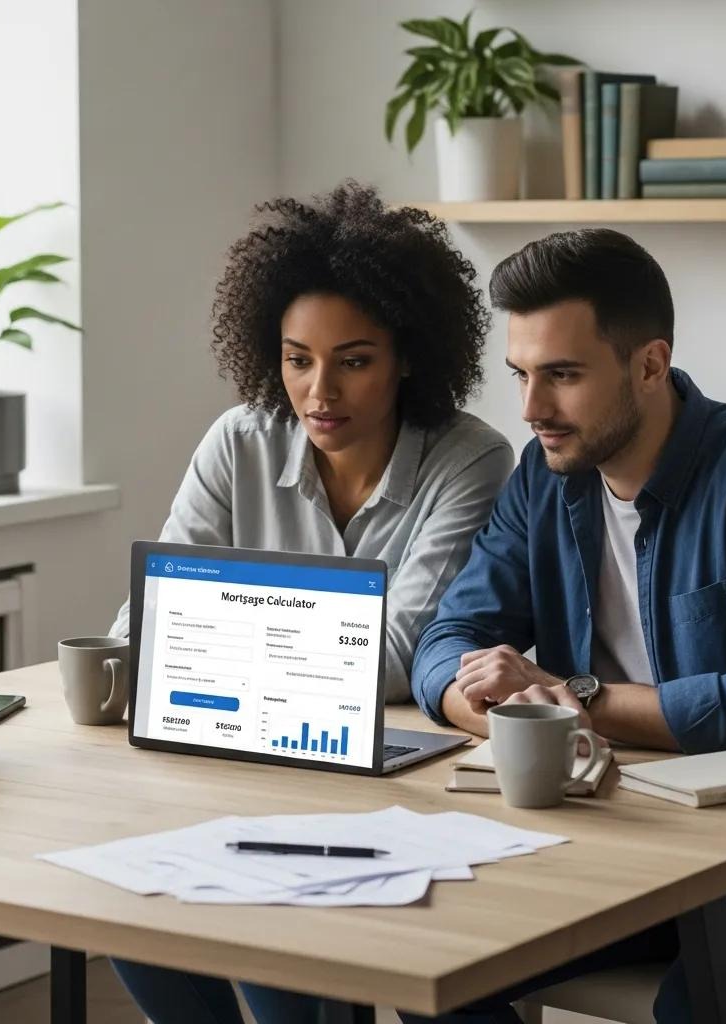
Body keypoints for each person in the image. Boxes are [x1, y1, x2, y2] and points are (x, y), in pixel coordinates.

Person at [108, 181, 513, 1023]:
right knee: (131, 905)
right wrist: (284, 649)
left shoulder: (470, 459)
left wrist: (219, 636)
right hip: (235, 773)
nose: (319, 390)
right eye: (298, 359)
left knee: (277, 944)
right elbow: (145, 624)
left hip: (395, 797)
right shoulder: (238, 441)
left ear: (407, 356)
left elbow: (400, 655)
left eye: (353, 360)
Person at [409, 227, 726, 1023]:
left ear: (649, 364)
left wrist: (571, 698)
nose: (533, 409)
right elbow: (442, 644)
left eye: (563, 376)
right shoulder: (544, 474)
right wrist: (509, 715)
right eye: (522, 376)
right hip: (608, 834)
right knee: (417, 956)